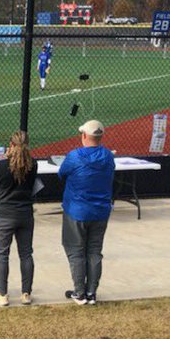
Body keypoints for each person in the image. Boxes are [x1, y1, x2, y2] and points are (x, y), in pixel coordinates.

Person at [58, 119, 115, 305]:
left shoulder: (75, 156)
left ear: (84, 136)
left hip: (77, 211)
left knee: (76, 250)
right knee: (94, 251)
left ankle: (80, 292)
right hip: (100, 211)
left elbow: (62, 173)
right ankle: (91, 292)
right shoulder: (107, 156)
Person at [0, 130, 37, 306]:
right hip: (25, 214)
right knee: (26, 253)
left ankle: (2, 293)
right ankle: (26, 293)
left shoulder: (2, 166)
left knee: (2, 254)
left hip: (5, 215)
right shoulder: (32, 165)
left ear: (11, 145)